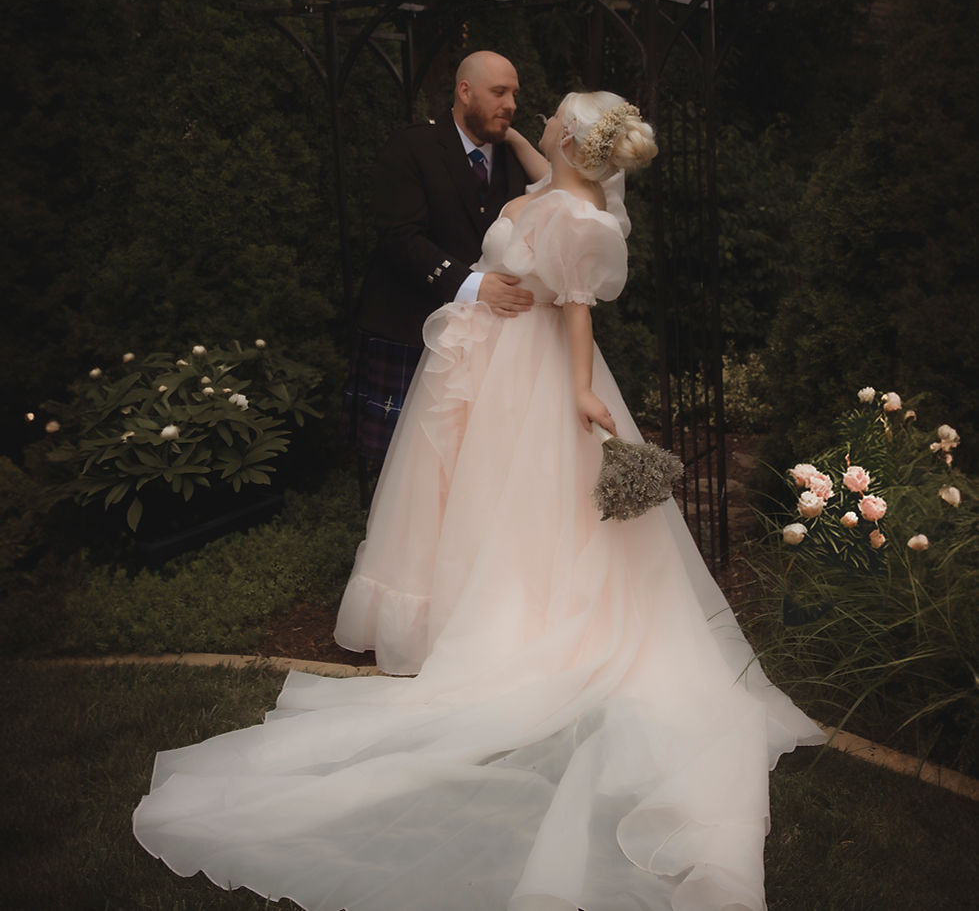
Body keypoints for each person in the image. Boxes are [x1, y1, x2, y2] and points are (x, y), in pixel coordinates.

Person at [134, 92, 825, 911]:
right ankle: (473, 608)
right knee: (480, 495)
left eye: (549, 119)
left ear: (566, 141)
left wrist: (577, 393)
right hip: (494, 363)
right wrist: (538, 165)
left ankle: (521, 619)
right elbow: (550, 182)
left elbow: (575, 308)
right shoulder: (564, 189)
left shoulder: (579, 215)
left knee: (524, 499)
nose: (532, 123)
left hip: (536, 373)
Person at [344, 50, 533, 464]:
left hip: (484, 340)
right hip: (410, 326)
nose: (511, 105)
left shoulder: (514, 156)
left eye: (514, 94)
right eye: (499, 92)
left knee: (471, 462)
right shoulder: (413, 146)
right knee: (404, 466)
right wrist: (472, 285)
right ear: (465, 91)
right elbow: (399, 236)